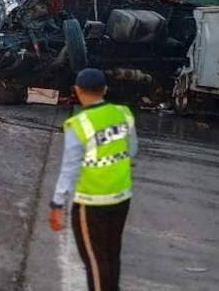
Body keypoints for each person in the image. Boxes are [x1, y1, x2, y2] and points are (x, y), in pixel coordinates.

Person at [50, 68, 138, 291]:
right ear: (105, 90)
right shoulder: (123, 114)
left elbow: (69, 169)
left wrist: (57, 204)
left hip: (92, 203)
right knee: (111, 255)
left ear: (78, 91)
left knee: (95, 261)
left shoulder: (78, 124)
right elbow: (132, 150)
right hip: (121, 198)